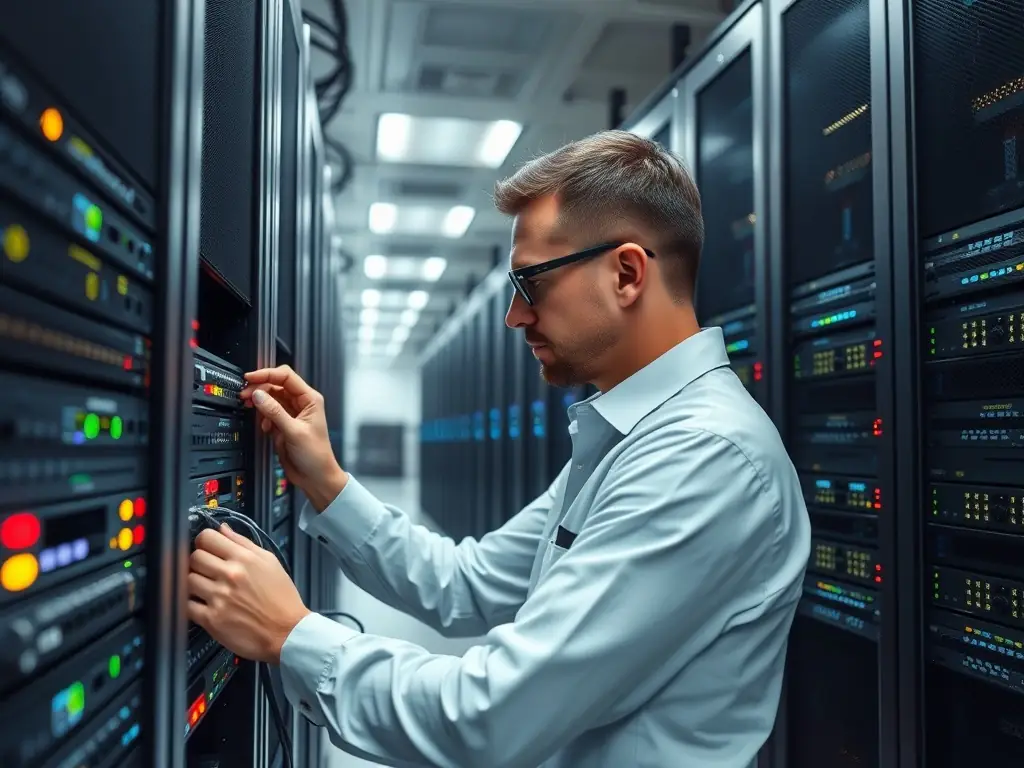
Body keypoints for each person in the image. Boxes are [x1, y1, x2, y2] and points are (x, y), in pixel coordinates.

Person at [187, 130, 811, 768]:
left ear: (626, 273)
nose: (515, 315)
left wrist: (291, 635)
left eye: (531, 284)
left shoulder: (702, 457)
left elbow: (489, 717)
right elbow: (469, 583)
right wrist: (327, 482)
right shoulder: (635, 438)